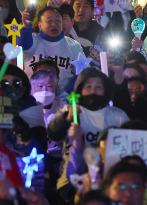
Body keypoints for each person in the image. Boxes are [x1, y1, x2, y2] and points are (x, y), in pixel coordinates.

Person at [48, 67, 130, 197]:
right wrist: (67, 119)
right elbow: (53, 133)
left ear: (105, 90)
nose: (93, 91)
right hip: (71, 182)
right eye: (88, 87)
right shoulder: (70, 111)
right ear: (80, 90)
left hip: (108, 182)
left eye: (98, 87)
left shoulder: (117, 115)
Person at [21, 6, 84, 92]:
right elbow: (23, 42)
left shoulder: (74, 46)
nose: (54, 24)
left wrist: (67, 93)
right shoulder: (33, 40)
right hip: (33, 97)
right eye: (49, 21)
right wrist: (26, 26)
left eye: (58, 21)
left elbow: (83, 74)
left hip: (64, 100)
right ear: (40, 25)